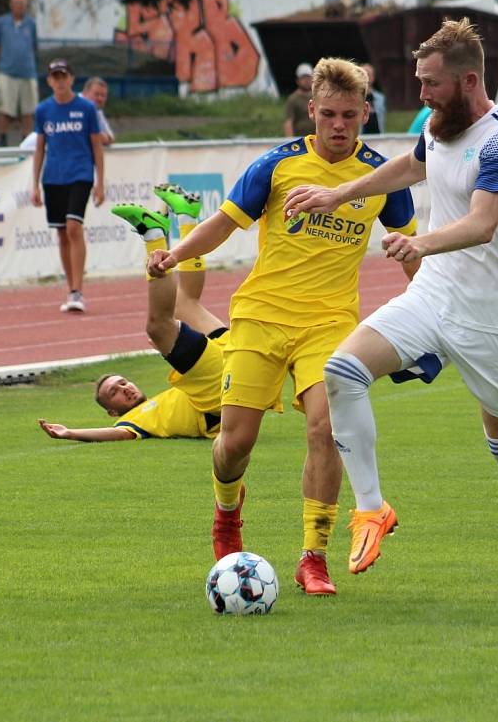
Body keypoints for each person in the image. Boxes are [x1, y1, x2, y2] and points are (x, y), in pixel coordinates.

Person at [285, 18, 498, 595]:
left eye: (430, 83)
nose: (420, 94)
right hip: (433, 295)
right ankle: (372, 508)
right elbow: (412, 164)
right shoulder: (438, 122)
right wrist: (338, 192)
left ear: (469, 80)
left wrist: (418, 242)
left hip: (493, 315)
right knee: (341, 371)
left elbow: (482, 224)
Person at [147, 58, 418, 596]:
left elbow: (411, 252)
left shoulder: (383, 177)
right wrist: (175, 255)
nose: (339, 126)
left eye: (349, 116)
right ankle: (228, 512)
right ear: (310, 111)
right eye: (328, 115)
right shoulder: (276, 165)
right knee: (235, 444)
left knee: (326, 429)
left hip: (331, 324)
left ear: (366, 112)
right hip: (261, 318)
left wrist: (431, 311)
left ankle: (312, 557)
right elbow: (222, 224)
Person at [38, 186, 232, 444]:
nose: (124, 388)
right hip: (221, 388)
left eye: (122, 382)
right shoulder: (135, 420)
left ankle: (185, 218)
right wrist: (72, 432)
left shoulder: (160, 401)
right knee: (159, 327)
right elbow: (117, 433)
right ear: (112, 411)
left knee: (185, 304)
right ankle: (155, 235)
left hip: (224, 374)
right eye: (114, 392)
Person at [32, 59, 105, 314]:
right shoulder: (43, 110)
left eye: (64, 76)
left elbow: (97, 145)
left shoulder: (86, 108)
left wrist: (100, 182)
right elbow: (40, 148)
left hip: (80, 175)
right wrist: (35, 185)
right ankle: (71, 288)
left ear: (72, 79)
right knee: (62, 233)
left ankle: (78, 290)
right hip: (53, 178)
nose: (60, 80)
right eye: (55, 76)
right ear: (49, 81)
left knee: (75, 227)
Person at [0, 0, 38, 147]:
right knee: (5, 107)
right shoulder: (1, 23)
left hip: (27, 71)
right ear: (11, 5)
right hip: (7, 71)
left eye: (23, 4)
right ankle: (2, 137)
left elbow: (34, 46)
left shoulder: (31, 23)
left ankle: (26, 139)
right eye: (17, 3)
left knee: (28, 108)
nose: (20, 7)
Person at [282, 62, 315, 137]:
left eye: (308, 77)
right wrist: (290, 141)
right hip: (300, 141)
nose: (306, 80)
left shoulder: (318, 97)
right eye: (303, 78)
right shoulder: (293, 99)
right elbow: (288, 121)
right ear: (298, 80)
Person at [82, 77, 115, 146]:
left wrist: (105, 138)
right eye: (96, 94)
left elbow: (111, 137)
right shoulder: (73, 106)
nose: (100, 99)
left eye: (103, 95)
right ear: (84, 93)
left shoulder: (97, 111)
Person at [361, 63, 386, 134]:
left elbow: (382, 120)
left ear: (373, 77)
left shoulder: (380, 98)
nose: (366, 77)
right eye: (363, 74)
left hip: (378, 138)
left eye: (368, 74)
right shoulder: (354, 98)